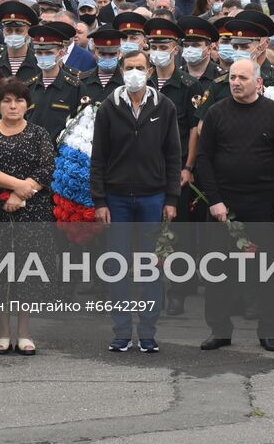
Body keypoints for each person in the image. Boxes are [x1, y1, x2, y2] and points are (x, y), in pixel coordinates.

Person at [195, 58, 274, 352]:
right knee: (218, 271)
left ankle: (268, 330)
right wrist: (215, 200)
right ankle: (220, 329)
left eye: (242, 78)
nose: (235, 82)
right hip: (225, 204)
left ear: (258, 82)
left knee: (266, 271)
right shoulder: (216, 113)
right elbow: (204, 159)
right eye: (232, 77)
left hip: (263, 204)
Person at [90, 49, 181, 353]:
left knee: (151, 267)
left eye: (140, 67)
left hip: (152, 198)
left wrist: (171, 197)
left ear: (150, 72)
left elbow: (172, 155)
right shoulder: (108, 108)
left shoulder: (164, 106)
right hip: (116, 199)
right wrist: (100, 200)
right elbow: (98, 158)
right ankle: (120, 331)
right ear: (120, 71)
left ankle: (147, 331)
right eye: (129, 67)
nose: (135, 72)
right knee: (116, 266)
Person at [0, 80, 54, 354]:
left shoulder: (40, 134)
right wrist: (13, 188)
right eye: (7, 100)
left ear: (27, 105)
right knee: (0, 270)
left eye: (18, 101)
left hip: (33, 209)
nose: (13, 106)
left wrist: (21, 194)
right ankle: (3, 331)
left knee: (27, 271)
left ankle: (25, 332)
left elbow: (47, 168)